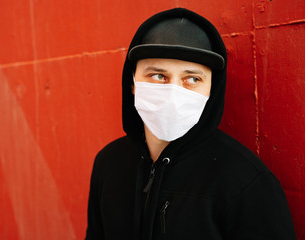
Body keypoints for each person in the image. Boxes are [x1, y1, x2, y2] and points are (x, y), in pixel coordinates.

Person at [85, 8, 295, 239]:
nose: (174, 91)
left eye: (192, 79)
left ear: (211, 91)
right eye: (157, 76)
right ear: (133, 82)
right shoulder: (108, 163)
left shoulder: (247, 183)